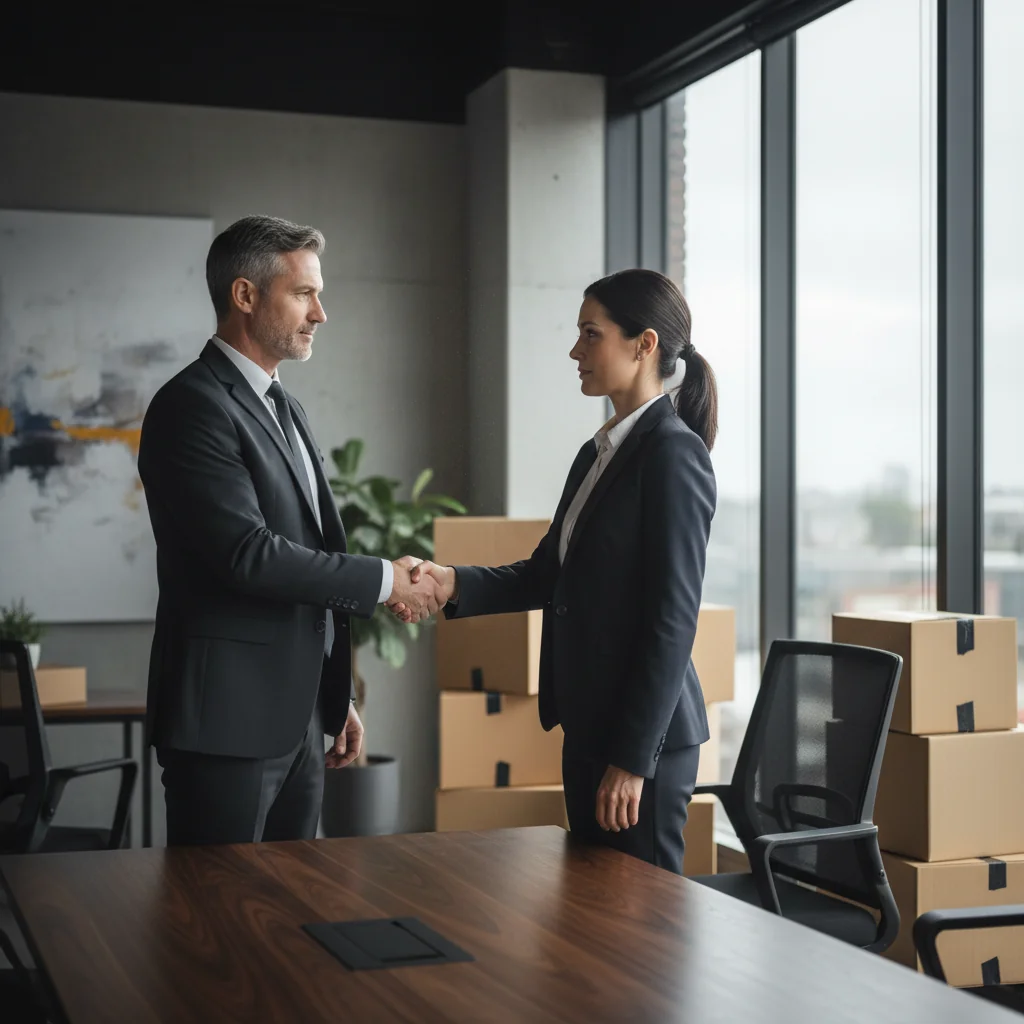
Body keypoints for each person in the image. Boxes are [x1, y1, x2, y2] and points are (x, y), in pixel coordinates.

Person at [391, 269, 717, 873]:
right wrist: (448, 582)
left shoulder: (673, 454)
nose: (575, 351)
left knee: (642, 919)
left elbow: (673, 621)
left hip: (640, 743)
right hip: (590, 725)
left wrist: (632, 760)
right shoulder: (598, 454)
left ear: (644, 344)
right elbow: (547, 574)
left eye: (591, 334)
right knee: (594, 910)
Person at [138, 215, 443, 846]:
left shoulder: (285, 406)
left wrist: (334, 698)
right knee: (218, 906)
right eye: (303, 294)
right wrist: (386, 579)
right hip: (225, 727)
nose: (320, 314)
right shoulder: (191, 405)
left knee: (293, 905)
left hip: (299, 724)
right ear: (245, 295)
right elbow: (247, 554)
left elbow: (308, 551)